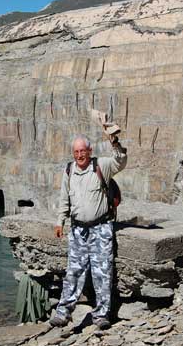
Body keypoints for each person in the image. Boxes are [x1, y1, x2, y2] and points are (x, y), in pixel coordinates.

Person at [49, 131, 127, 329]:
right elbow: (64, 199)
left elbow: (121, 161)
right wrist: (60, 221)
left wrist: (115, 143)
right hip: (77, 231)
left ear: (89, 151)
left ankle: (101, 315)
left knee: (102, 273)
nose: (79, 155)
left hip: (101, 228)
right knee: (73, 272)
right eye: (76, 151)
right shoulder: (69, 170)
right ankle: (63, 312)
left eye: (82, 151)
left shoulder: (101, 165)